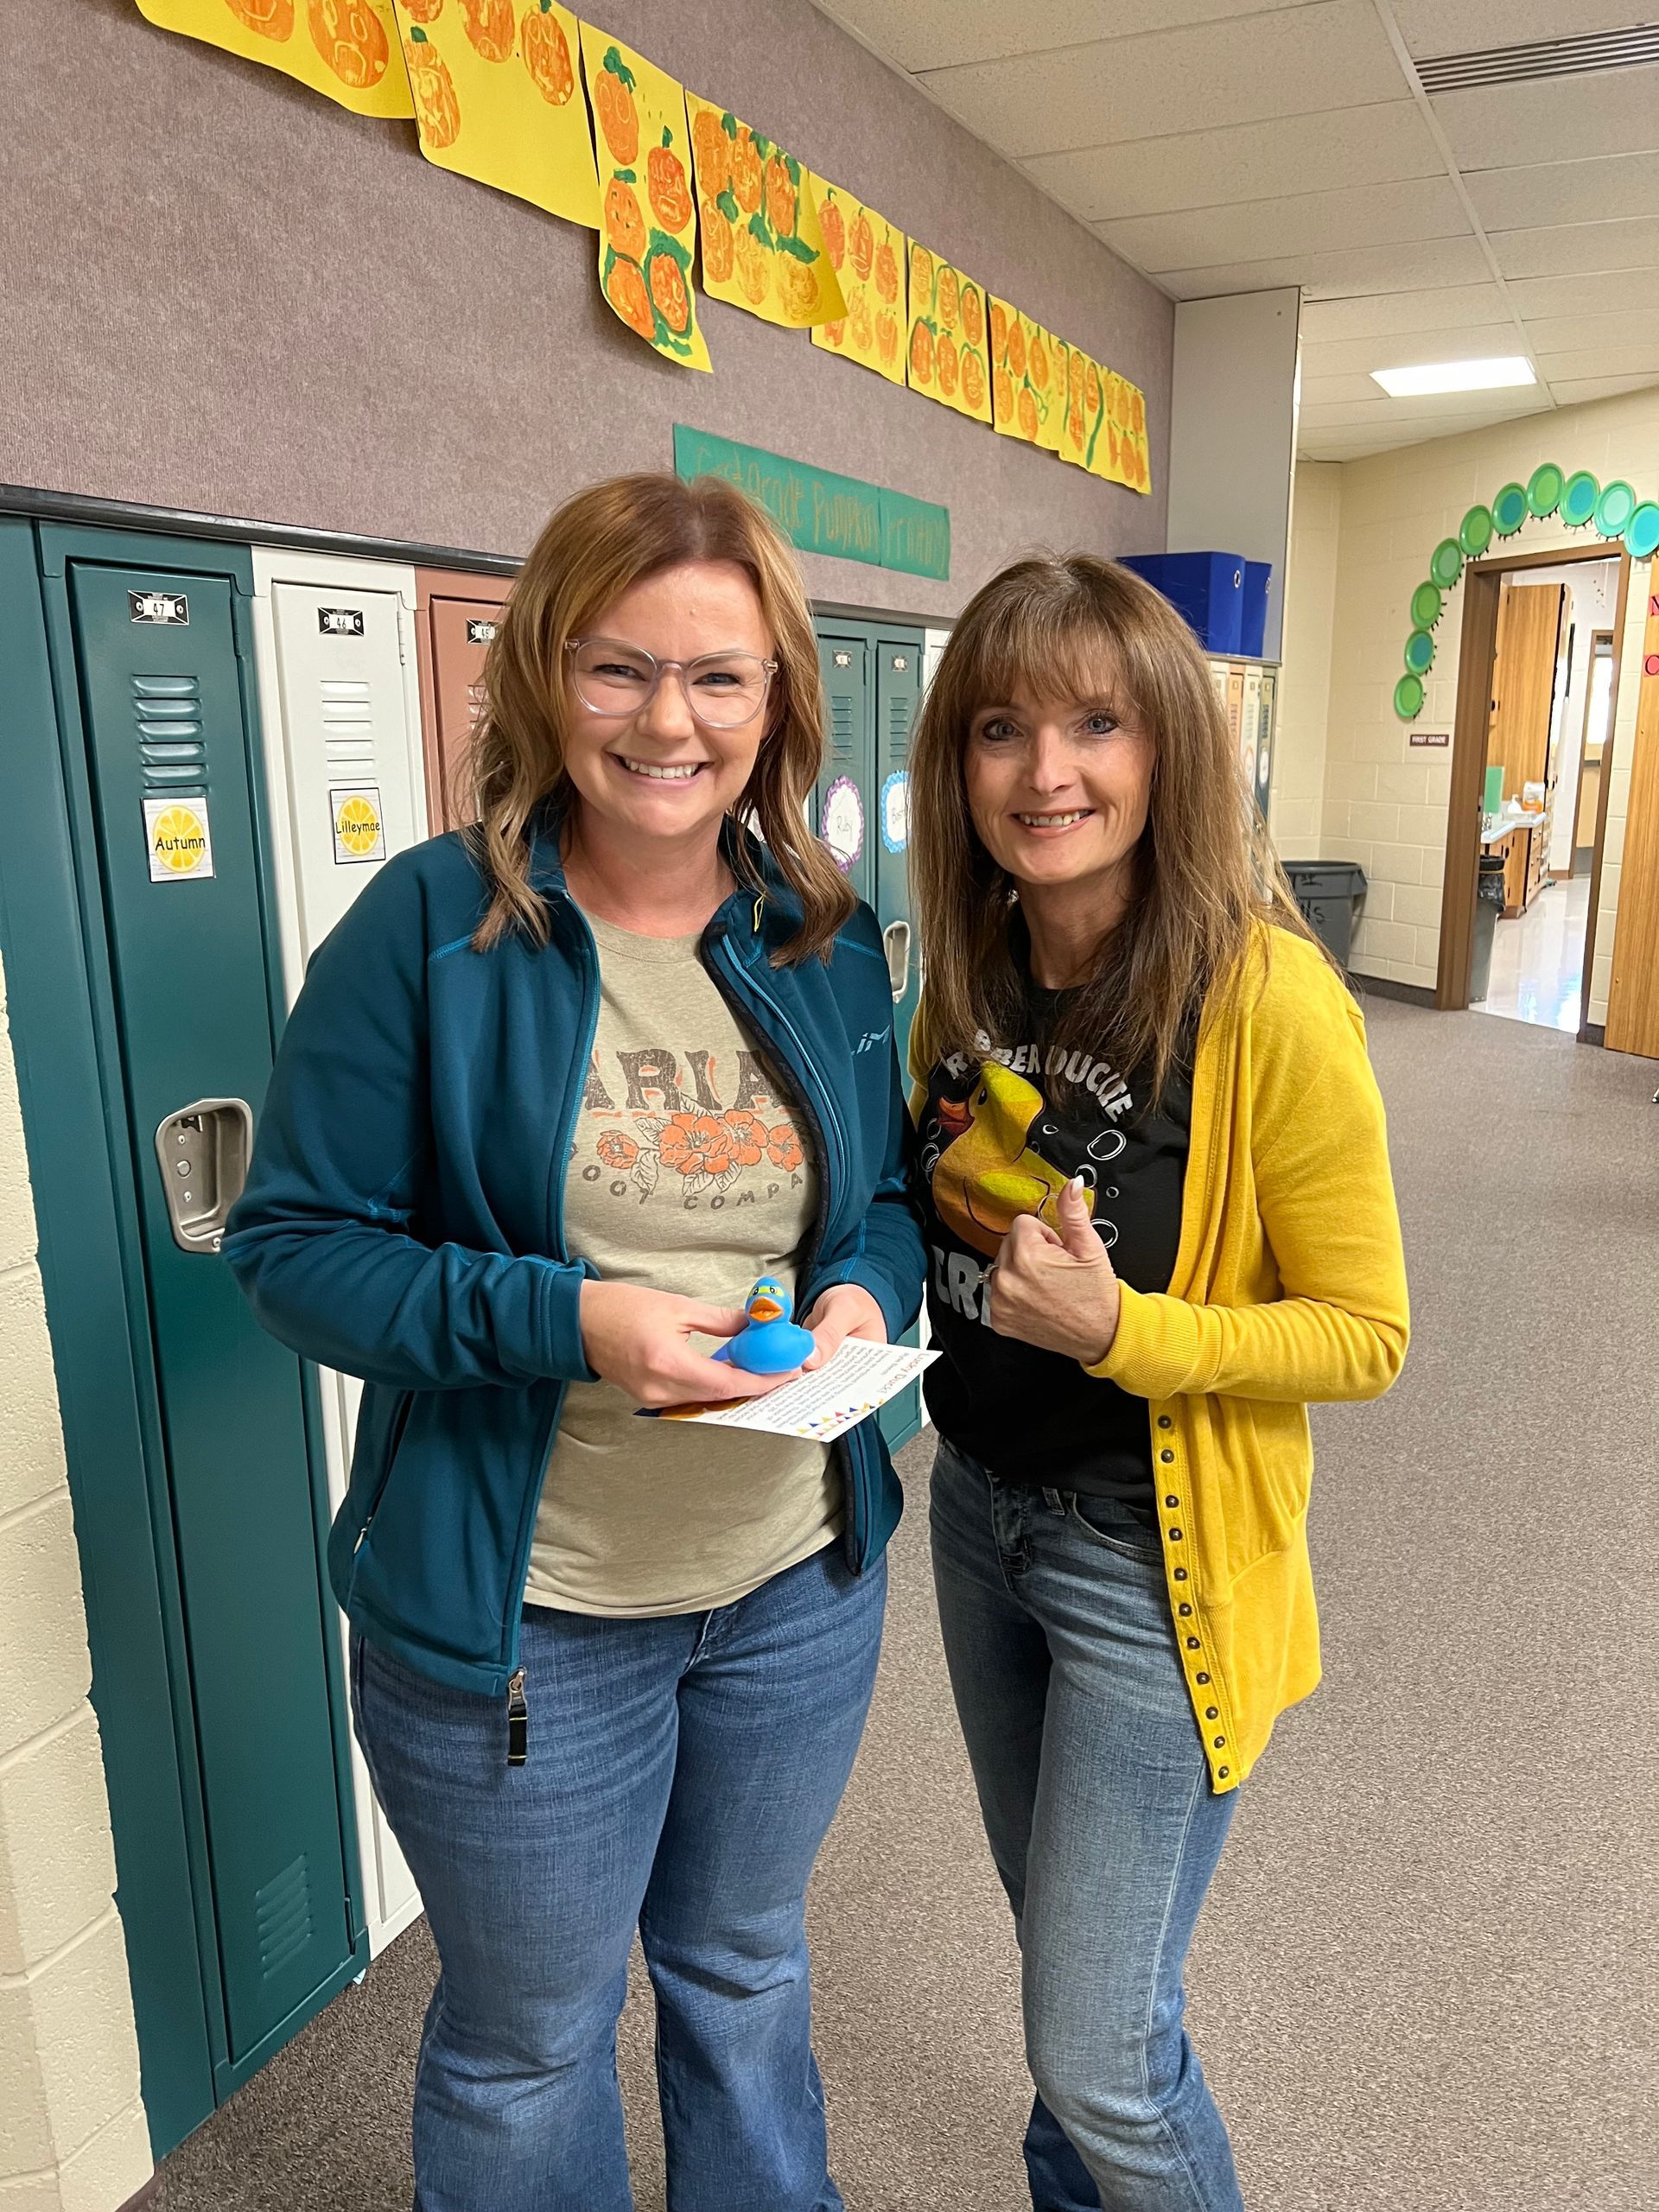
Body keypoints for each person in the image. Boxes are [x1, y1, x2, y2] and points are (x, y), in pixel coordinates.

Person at [225, 473, 925, 2212]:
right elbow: (295, 1250)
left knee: (746, 1974)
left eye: (719, 677)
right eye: (619, 670)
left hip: (789, 1588)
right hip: (532, 1617)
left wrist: (861, 1292)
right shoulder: (430, 930)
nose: (668, 721)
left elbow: (885, 1200)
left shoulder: (819, 938)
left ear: (776, 703)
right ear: (546, 676)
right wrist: (572, 1320)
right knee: (531, 2039)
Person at [906, 554, 1409, 2212]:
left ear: (1167, 746)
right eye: (1001, 729)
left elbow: (1365, 1331)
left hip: (1151, 1567)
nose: (1047, 773)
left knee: (1101, 2054)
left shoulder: (1266, 995)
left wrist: (1135, 1337)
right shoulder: (970, 973)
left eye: (1096, 723)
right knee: (1073, 1987)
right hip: (980, 1521)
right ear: (955, 766)